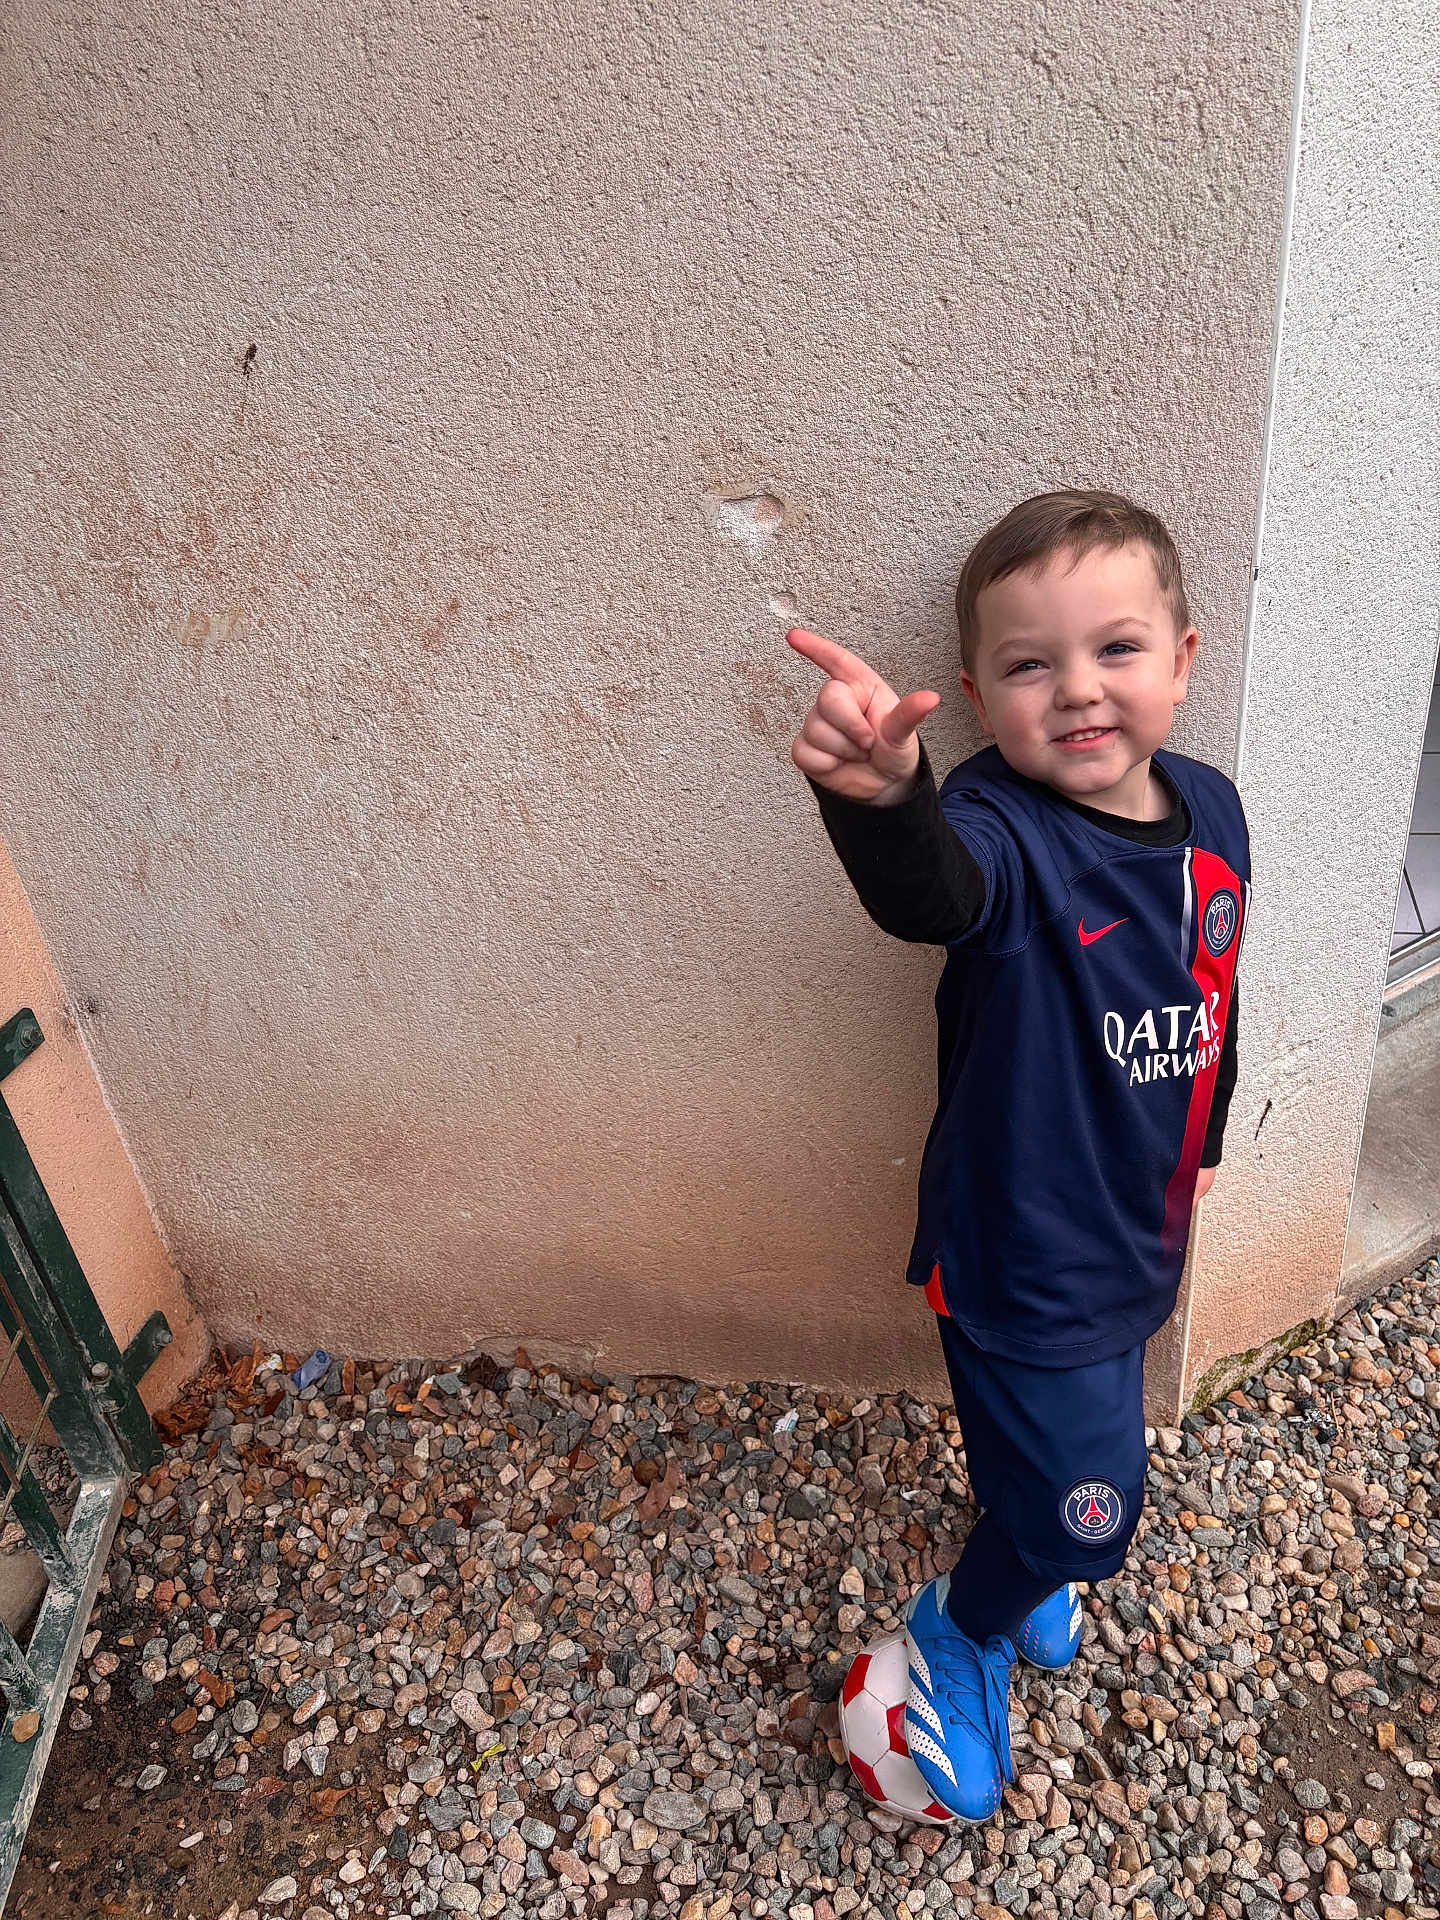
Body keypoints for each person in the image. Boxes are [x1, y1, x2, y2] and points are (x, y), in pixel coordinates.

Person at [788, 489, 1251, 1822]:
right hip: (1021, 1249)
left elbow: (1216, 988)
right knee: (1085, 1519)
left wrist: (1206, 1136)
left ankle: (1024, 1537)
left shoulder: (1214, 812)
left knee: (1051, 1460)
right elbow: (938, 889)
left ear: (1183, 660)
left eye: (1116, 648)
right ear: (983, 702)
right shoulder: (1006, 829)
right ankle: (959, 1627)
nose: (1080, 690)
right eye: (1030, 664)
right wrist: (885, 798)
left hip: (1139, 1233)